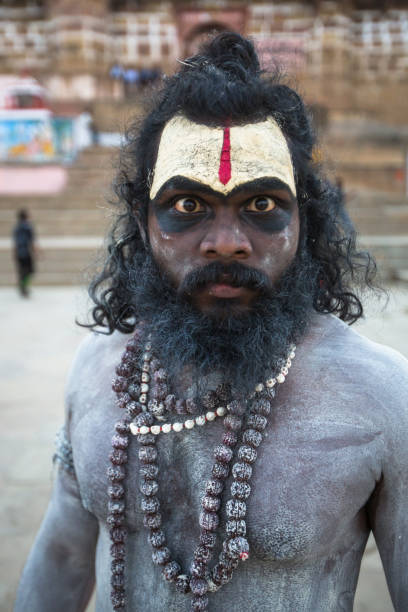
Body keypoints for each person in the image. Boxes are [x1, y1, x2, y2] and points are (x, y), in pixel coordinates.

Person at [15, 33, 408, 612]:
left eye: (262, 206)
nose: (227, 243)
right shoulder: (96, 371)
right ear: (143, 222)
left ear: (308, 221)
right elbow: (64, 558)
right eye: (189, 206)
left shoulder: (379, 395)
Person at [12, 209, 35, 297]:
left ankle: (22, 286)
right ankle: (24, 286)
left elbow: (15, 242)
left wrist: (14, 253)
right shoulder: (28, 227)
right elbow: (31, 241)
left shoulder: (16, 227)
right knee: (28, 271)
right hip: (26, 252)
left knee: (22, 270)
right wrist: (37, 252)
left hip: (19, 252)